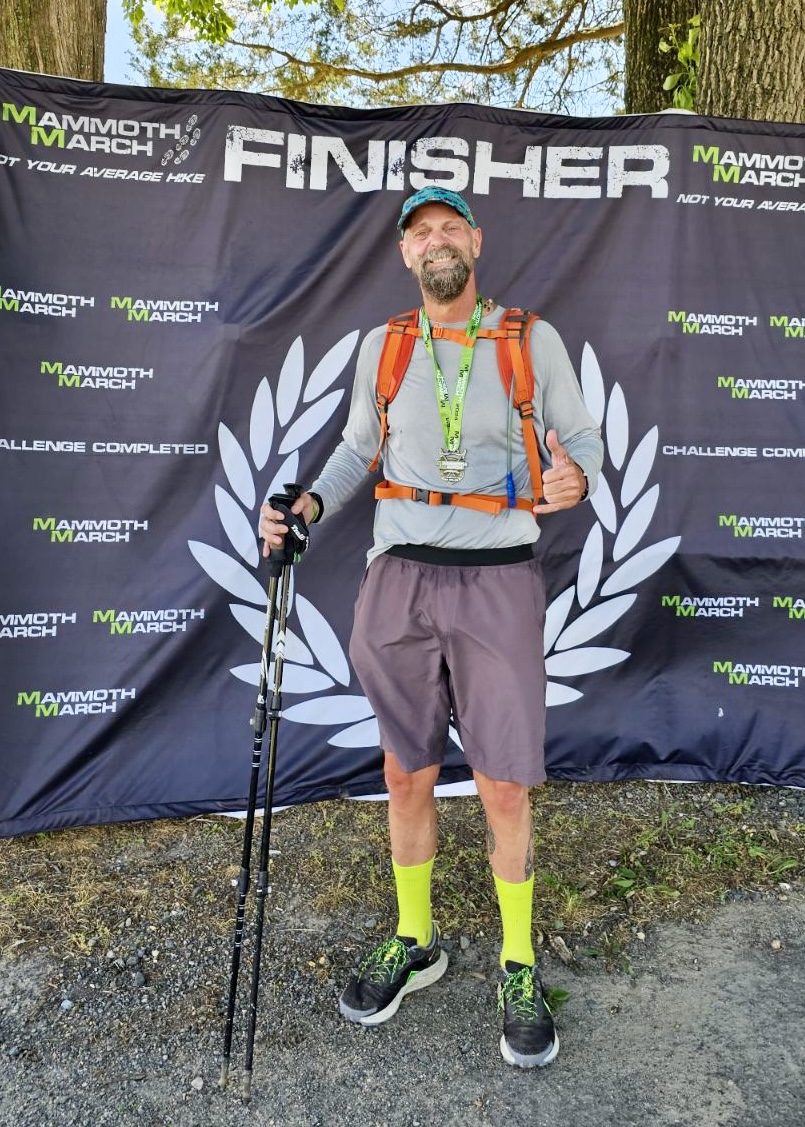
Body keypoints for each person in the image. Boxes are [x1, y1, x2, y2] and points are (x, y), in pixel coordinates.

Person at [259, 186, 603, 1069]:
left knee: (501, 785)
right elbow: (354, 449)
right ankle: (417, 940)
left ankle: (518, 960)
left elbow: (583, 440)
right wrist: (304, 505)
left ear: (476, 244)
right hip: (398, 578)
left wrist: (575, 480)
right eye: (421, 233)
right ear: (406, 256)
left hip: (495, 579)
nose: (437, 241)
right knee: (405, 773)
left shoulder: (529, 337)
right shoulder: (385, 345)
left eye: (451, 227)